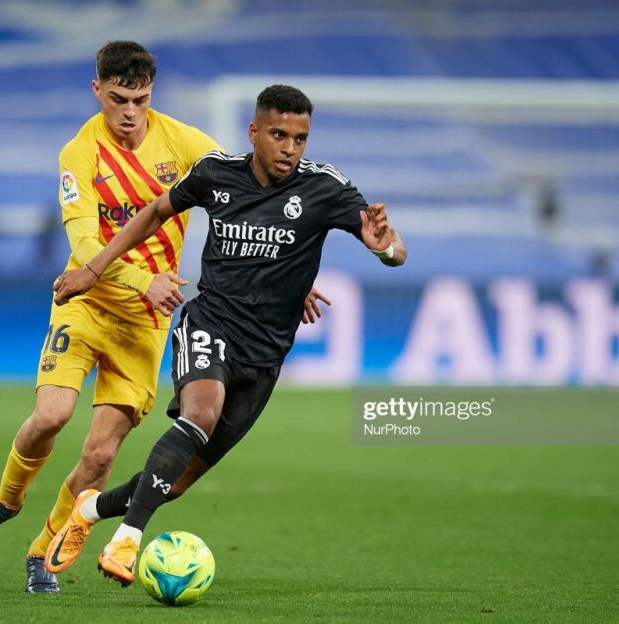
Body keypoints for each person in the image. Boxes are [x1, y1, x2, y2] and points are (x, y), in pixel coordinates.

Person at [0, 41, 329, 595]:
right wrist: (140, 280)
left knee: (101, 455)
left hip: (147, 324)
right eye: (118, 99)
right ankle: (6, 500)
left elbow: (246, 195)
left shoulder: (183, 142)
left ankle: (42, 553)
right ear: (97, 91)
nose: (130, 112)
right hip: (87, 303)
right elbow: (85, 245)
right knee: (52, 415)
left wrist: (284, 273)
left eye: (141, 100)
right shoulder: (79, 154)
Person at [47, 84, 407, 586]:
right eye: (278, 135)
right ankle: (126, 540)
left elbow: (393, 250)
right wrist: (94, 267)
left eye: (300, 139)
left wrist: (385, 249)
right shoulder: (216, 173)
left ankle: (88, 509)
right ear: (253, 132)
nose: (289, 148)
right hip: (210, 323)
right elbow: (155, 211)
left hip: (265, 354)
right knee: (200, 413)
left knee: (176, 482)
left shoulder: (324, 188)